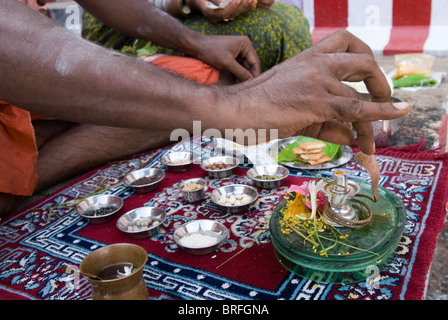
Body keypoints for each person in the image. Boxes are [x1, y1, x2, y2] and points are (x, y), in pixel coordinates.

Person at [0, 0, 410, 219]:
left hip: (32, 72)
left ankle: (34, 153)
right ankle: (27, 164)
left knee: (203, 79)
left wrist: (197, 43)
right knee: (203, 96)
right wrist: (227, 106)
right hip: (27, 56)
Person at [80, 0, 312, 75]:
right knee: (264, 29)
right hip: (127, 29)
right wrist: (188, 2)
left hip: (191, 14)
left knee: (291, 17)